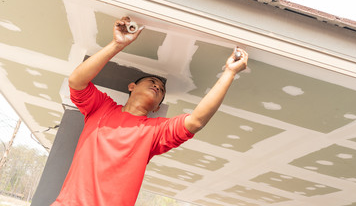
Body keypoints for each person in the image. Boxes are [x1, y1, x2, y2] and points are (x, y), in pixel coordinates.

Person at [51, 17, 248, 206]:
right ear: (131, 87)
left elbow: (196, 121)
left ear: (157, 107)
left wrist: (229, 73)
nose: (157, 86)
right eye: (152, 82)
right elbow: (76, 81)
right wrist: (117, 44)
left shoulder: (155, 132)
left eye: (161, 90)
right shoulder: (101, 108)